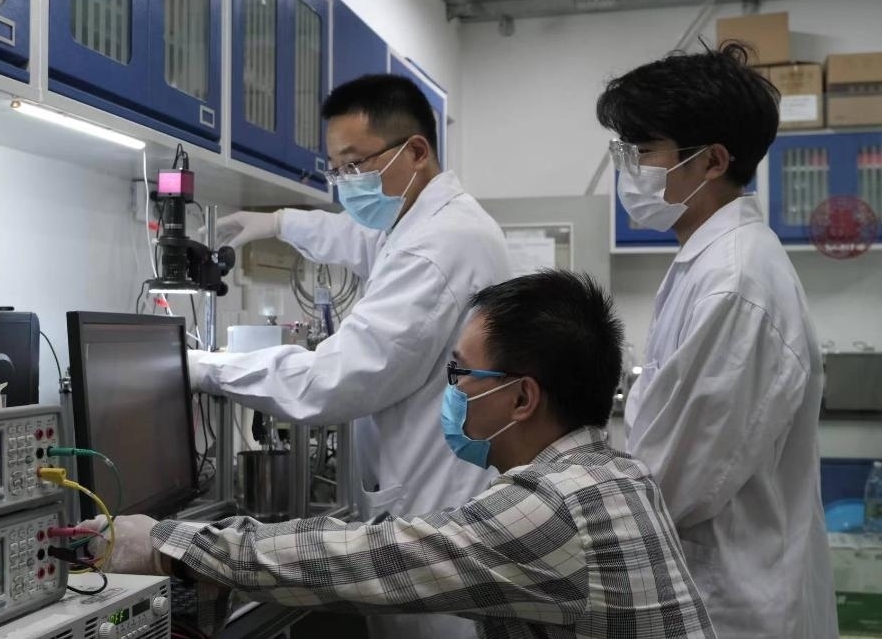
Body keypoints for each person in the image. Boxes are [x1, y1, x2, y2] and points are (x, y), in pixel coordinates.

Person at [83, 271, 716, 639]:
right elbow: (401, 545)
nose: (450, 390)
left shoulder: (554, 508)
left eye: (460, 374)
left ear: (523, 398)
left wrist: (164, 544)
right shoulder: (614, 473)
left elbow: (369, 559)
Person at [189, 74, 510, 638]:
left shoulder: (437, 246)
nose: (345, 185)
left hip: (433, 511)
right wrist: (278, 223)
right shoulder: (424, 219)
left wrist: (206, 368)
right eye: (336, 170)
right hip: (427, 503)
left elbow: (335, 381)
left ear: (416, 151)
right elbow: (356, 237)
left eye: (356, 165)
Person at [597, 43, 837, 638]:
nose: (629, 168)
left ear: (711, 161)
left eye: (642, 151)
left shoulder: (734, 283)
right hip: (714, 587)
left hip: (732, 603)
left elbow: (676, 479)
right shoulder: (711, 263)